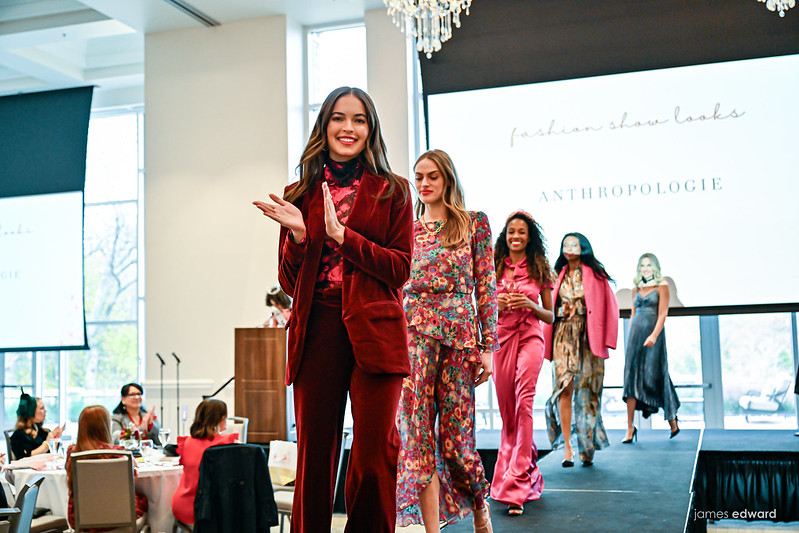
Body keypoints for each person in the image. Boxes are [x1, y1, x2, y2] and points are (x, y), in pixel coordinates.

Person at [252, 86, 413, 532]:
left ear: (371, 129)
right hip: (317, 327)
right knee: (315, 459)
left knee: (373, 458)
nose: (348, 127)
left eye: (359, 119)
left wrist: (344, 238)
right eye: (339, 118)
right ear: (324, 126)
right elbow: (288, 282)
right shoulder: (298, 192)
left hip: (376, 333)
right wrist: (303, 238)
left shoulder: (394, 191)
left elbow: (400, 269)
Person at [396, 149, 496, 532]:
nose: (424, 184)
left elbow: (486, 288)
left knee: (455, 441)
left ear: (448, 179)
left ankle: (479, 505)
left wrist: (488, 347)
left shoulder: (473, 224)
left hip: (459, 337)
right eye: (419, 176)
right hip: (414, 339)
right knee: (417, 437)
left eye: (432, 176)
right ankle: (431, 528)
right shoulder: (407, 227)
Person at [490, 210, 554, 517]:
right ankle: (526, 474)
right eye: (511, 232)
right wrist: (495, 302)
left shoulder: (541, 268)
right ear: (506, 235)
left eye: (522, 232)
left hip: (530, 338)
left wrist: (530, 304)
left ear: (530, 238)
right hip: (501, 341)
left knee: (524, 404)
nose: (516, 237)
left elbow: (551, 316)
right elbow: (480, 308)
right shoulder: (491, 266)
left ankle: (515, 488)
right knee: (508, 414)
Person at [544, 233, 618, 467]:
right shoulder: (555, 275)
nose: (569, 248)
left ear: (583, 247)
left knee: (588, 391)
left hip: (589, 336)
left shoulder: (596, 275)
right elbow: (546, 308)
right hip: (563, 334)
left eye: (574, 244)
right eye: (566, 244)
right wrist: (560, 313)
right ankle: (567, 447)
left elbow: (610, 308)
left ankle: (587, 447)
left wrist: (608, 339)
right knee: (564, 388)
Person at [622, 253, 680, 442]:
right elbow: (632, 313)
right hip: (635, 337)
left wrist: (654, 335)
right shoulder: (636, 288)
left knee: (656, 374)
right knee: (631, 377)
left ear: (655, 267)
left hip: (654, 335)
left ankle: (672, 421)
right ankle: (630, 428)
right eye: (642, 265)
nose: (645, 268)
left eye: (649, 265)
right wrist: (631, 337)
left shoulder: (662, 286)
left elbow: (663, 313)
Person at [65, 405, 148, 530]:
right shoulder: (118, 453)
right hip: (120, 516)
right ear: (104, 427)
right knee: (146, 499)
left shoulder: (72, 453)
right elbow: (132, 476)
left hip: (80, 518)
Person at [171, 399, 238, 526]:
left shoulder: (187, 442)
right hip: (207, 509)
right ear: (220, 418)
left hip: (182, 504)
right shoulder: (225, 442)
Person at [10, 392, 63, 459]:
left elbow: (52, 453)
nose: (45, 410)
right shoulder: (19, 435)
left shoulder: (41, 430)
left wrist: (56, 438)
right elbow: (23, 458)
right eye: (41, 408)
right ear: (31, 412)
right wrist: (47, 443)